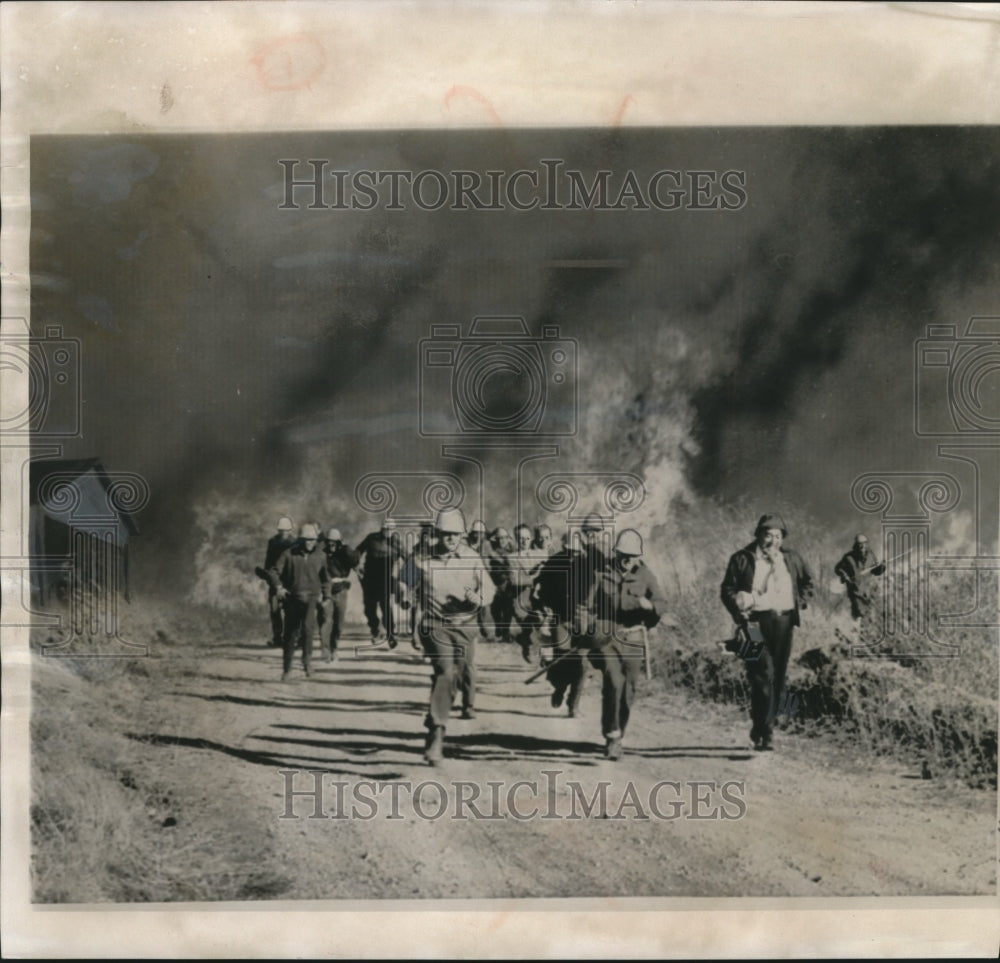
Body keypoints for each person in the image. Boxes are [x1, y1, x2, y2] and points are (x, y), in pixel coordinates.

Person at [399, 507, 495, 765]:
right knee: (445, 671)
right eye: (445, 534)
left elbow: (490, 588)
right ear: (437, 534)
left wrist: (480, 597)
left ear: (462, 535)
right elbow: (403, 582)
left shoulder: (472, 557)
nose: (451, 539)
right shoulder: (422, 557)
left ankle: (435, 718)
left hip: (464, 626)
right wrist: (405, 594)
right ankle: (437, 732)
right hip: (435, 624)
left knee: (460, 674)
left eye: (455, 534)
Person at [721, 513, 815, 752]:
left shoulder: (791, 559)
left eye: (777, 536)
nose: (772, 541)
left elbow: (808, 583)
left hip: (783, 623)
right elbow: (727, 589)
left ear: (782, 539)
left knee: (778, 677)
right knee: (761, 674)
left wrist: (800, 602)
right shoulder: (742, 559)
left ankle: (763, 727)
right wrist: (737, 610)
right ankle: (766, 731)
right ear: (758, 535)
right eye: (767, 535)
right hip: (753, 624)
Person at [584, 528, 667, 760]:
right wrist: (590, 629)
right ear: (616, 553)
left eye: (632, 555)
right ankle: (611, 735)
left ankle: (619, 733)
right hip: (607, 637)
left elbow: (661, 602)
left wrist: (650, 607)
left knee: (629, 689)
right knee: (613, 681)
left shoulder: (646, 575)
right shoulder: (601, 573)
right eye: (623, 554)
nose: (627, 559)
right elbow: (585, 607)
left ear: (638, 556)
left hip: (633, 639)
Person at [533, 531, 595, 718]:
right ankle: (559, 687)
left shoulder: (588, 566)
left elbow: (597, 593)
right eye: (570, 551)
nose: (573, 555)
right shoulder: (552, 563)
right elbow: (540, 591)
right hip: (560, 619)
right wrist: (545, 607)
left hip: (582, 619)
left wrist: (592, 612)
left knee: (582, 664)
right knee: (561, 660)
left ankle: (573, 704)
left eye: (576, 552)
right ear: (563, 548)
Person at [268, 523, 326, 681]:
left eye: (312, 540)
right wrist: (279, 587)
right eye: (306, 540)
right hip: (293, 599)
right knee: (290, 634)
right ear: (300, 540)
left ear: (316, 540)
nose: (309, 543)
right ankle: (287, 669)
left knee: (308, 632)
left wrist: (325, 595)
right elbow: (273, 571)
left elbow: (326, 578)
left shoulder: (321, 555)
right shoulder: (288, 554)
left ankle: (307, 664)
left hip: (312, 598)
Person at [356, 517, 405, 648]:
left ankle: (390, 634)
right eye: (386, 529)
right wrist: (357, 567)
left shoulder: (397, 543)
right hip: (369, 579)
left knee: (385, 607)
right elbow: (357, 552)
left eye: (391, 529)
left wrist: (403, 577)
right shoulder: (371, 539)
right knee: (369, 608)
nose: (388, 531)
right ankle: (376, 630)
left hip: (385, 579)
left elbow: (409, 560)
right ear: (381, 528)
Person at [317, 527, 360, 662]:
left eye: (334, 542)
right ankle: (325, 649)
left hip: (341, 590)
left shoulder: (344, 553)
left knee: (339, 624)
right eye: (329, 542)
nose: (331, 545)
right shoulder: (322, 555)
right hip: (326, 591)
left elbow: (355, 561)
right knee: (325, 620)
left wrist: (345, 548)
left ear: (338, 542)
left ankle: (334, 648)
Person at [507, 524, 547, 663]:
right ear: (515, 540)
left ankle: (544, 655)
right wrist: (536, 576)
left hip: (539, 598)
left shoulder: (541, 555)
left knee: (543, 623)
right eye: (520, 538)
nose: (523, 541)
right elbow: (515, 581)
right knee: (527, 625)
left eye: (526, 538)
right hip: (521, 600)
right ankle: (526, 642)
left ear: (531, 539)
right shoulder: (511, 558)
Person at [262, 516, 296, 647]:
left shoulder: (295, 543)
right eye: (281, 530)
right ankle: (277, 638)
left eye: (286, 530)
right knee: (274, 609)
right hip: (274, 580)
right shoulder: (272, 542)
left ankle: (293, 637)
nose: (284, 533)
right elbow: (268, 560)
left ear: (290, 530)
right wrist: (268, 575)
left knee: (291, 610)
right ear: (278, 530)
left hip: (289, 581)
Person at [834, 534, 885, 621]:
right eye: (859, 544)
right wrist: (845, 576)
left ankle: (866, 632)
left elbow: (876, 571)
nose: (862, 546)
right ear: (856, 545)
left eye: (864, 543)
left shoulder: (871, 555)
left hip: (869, 591)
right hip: (855, 591)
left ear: (867, 544)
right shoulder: (848, 557)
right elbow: (838, 569)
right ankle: (855, 630)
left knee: (871, 617)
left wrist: (882, 566)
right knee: (859, 614)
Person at [467, 519, 497, 642]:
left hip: (484, 577)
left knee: (485, 604)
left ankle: (488, 632)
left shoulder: (486, 545)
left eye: (481, 533)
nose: (478, 536)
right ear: (472, 533)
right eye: (476, 533)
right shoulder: (465, 544)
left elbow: (494, 557)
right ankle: (469, 632)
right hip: (468, 577)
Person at [487, 526, 514, 643]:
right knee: (496, 609)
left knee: (508, 608)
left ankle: (506, 632)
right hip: (495, 585)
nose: (502, 540)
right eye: (499, 538)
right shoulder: (490, 553)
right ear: (495, 539)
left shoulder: (512, 552)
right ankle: (499, 627)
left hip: (509, 585)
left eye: (504, 538)